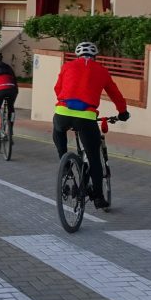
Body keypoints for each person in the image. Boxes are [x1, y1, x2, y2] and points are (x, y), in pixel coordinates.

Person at [52, 41, 130, 209]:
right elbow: (115, 94)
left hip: (63, 113)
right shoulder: (102, 70)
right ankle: (98, 198)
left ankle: (64, 163)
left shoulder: (67, 66)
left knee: (58, 130)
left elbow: (57, 88)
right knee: (94, 158)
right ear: (95, 56)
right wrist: (123, 112)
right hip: (86, 118)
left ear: (77, 55)